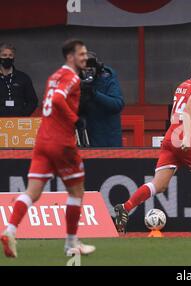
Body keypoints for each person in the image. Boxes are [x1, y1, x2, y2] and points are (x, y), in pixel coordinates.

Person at [1, 39, 96, 258]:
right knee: (76, 191)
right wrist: (75, 120)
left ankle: (10, 230)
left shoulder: (54, 76)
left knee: (31, 192)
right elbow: (58, 99)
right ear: (70, 57)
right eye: (81, 54)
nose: (84, 58)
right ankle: (71, 243)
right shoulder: (71, 77)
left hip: (42, 140)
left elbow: (49, 98)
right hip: (61, 143)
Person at [114, 55, 191, 239]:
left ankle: (125, 207)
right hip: (184, 140)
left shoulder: (182, 85)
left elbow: (179, 113)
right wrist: (188, 137)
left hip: (171, 137)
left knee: (159, 185)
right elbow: (189, 108)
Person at [78, 51, 124, 147]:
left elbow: (117, 104)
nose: (88, 72)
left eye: (91, 68)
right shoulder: (75, 80)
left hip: (108, 140)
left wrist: (94, 94)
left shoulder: (107, 77)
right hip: (86, 138)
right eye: (84, 69)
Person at [0, 43, 38, 117]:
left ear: (14, 57)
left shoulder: (23, 77)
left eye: (10, 55)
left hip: (18, 122)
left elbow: (33, 101)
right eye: (4, 55)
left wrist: (23, 115)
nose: (8, 58)